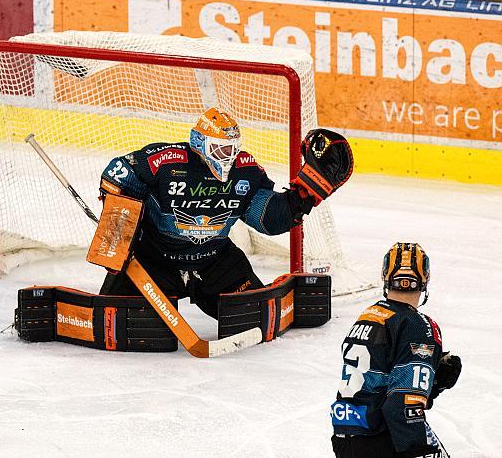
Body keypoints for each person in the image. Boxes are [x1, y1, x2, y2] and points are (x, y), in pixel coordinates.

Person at [97, 107, 353, 318]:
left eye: (232, 148)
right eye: (222, 149)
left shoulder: (245, 170)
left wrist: (304, 197)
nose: (229, 156)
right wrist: (119, 225)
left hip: (214, 263)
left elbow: (268, 219)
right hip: (155, 262)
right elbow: (116, 174)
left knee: (257, 317)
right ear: (201, 143)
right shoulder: (165, 160)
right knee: (115, 320)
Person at [331, 243, 462, 458]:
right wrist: (419, 450)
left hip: (346, 438)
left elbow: (378, 380)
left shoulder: (370, 315)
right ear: (425, 278)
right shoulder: (418, 325)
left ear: (385, 276)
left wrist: (433, 385)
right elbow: (403, 405)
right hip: (383, 440)